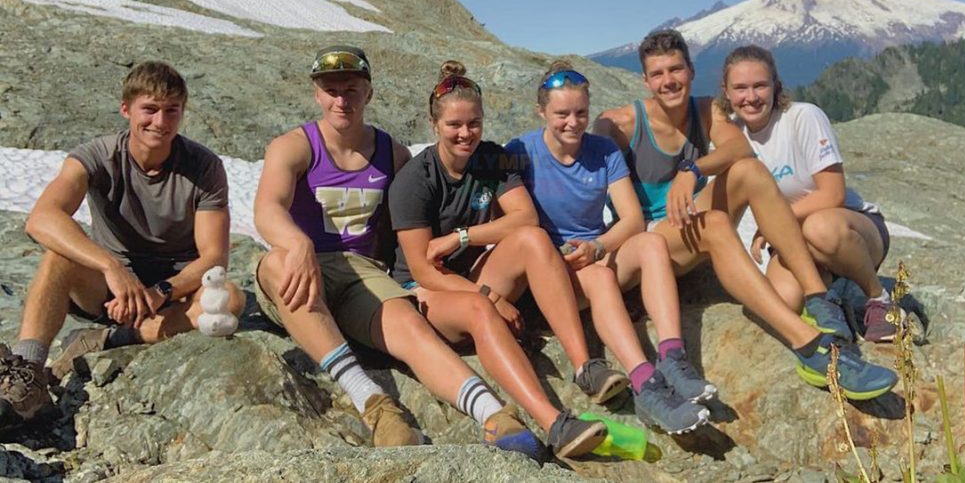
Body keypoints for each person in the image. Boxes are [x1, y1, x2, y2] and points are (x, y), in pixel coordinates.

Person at [252, 46, 559, 456]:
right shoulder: (294, 146)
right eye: (331, 89)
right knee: (277, 262)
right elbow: (267, 208)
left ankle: (495, 416)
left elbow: (412, 223)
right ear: (317, 95)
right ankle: (374, 404)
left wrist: (430, 284)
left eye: (352, 89)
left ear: (368, 93)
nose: (342, 99)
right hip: (303, 265)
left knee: (410, 324)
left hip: (366, 273)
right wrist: (298, 242)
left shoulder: (391, 153)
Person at [595, 30, 897, 399]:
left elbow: (738, 148)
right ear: (644, 79)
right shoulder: (619, 124)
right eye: (657, 74)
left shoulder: (708, 110)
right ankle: (810, 346)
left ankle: (819, 298)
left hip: (686, 223)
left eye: (675, 69)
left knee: (749, 171)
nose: (668, 80)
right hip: (649, 240)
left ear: (691, 71)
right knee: (719, 223)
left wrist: (691, 172)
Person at [388, 61, 620, 458]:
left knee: (532, 239)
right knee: (480, 307)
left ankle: (585, 366)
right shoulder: (415, 179)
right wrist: (491, 298)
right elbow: (424, 268)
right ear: (434, 125)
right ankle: (554, 423)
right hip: (427, 291)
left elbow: (524, 218)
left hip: (473, 273)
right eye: (454, 125)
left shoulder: (492, 159)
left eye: (474, 123)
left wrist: (462, 236)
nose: (466, 134)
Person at [0, 61, 243, 429]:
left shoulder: (204, 166)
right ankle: (27, 371)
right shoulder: (97, 155)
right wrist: (111, 267)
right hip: (109, 288)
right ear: (126, 109)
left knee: (230, 298)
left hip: (173, 290)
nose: (160, 122)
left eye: (171, 111)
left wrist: (162, 291)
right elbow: (42, 218)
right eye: (150, 109)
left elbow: (213, 256)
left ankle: (112, 340)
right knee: (57, 258)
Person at [505, 61, 714, 435]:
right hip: (551, 272)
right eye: (561, 114)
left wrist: (598, 246)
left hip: (594, 255)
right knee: (601, 277)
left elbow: (632, 219)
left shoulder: (603, 151)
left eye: (581, 112)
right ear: (541, 112)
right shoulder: (521, 152)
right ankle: (645, 383)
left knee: (650, 243)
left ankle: (671, 356)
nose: (573, 123)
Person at [719, 45, 901, 342]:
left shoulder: (802, 117)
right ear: (726, 92)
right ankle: (833, 289)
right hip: (792, 239)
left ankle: (878, 298)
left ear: (775, 86)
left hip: (851, 228)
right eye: (740, 88)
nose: (750, 97)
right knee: (784, 300)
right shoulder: (731, 138)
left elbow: (833, 194)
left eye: (760, 86)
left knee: (820, 228)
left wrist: (771, 223)